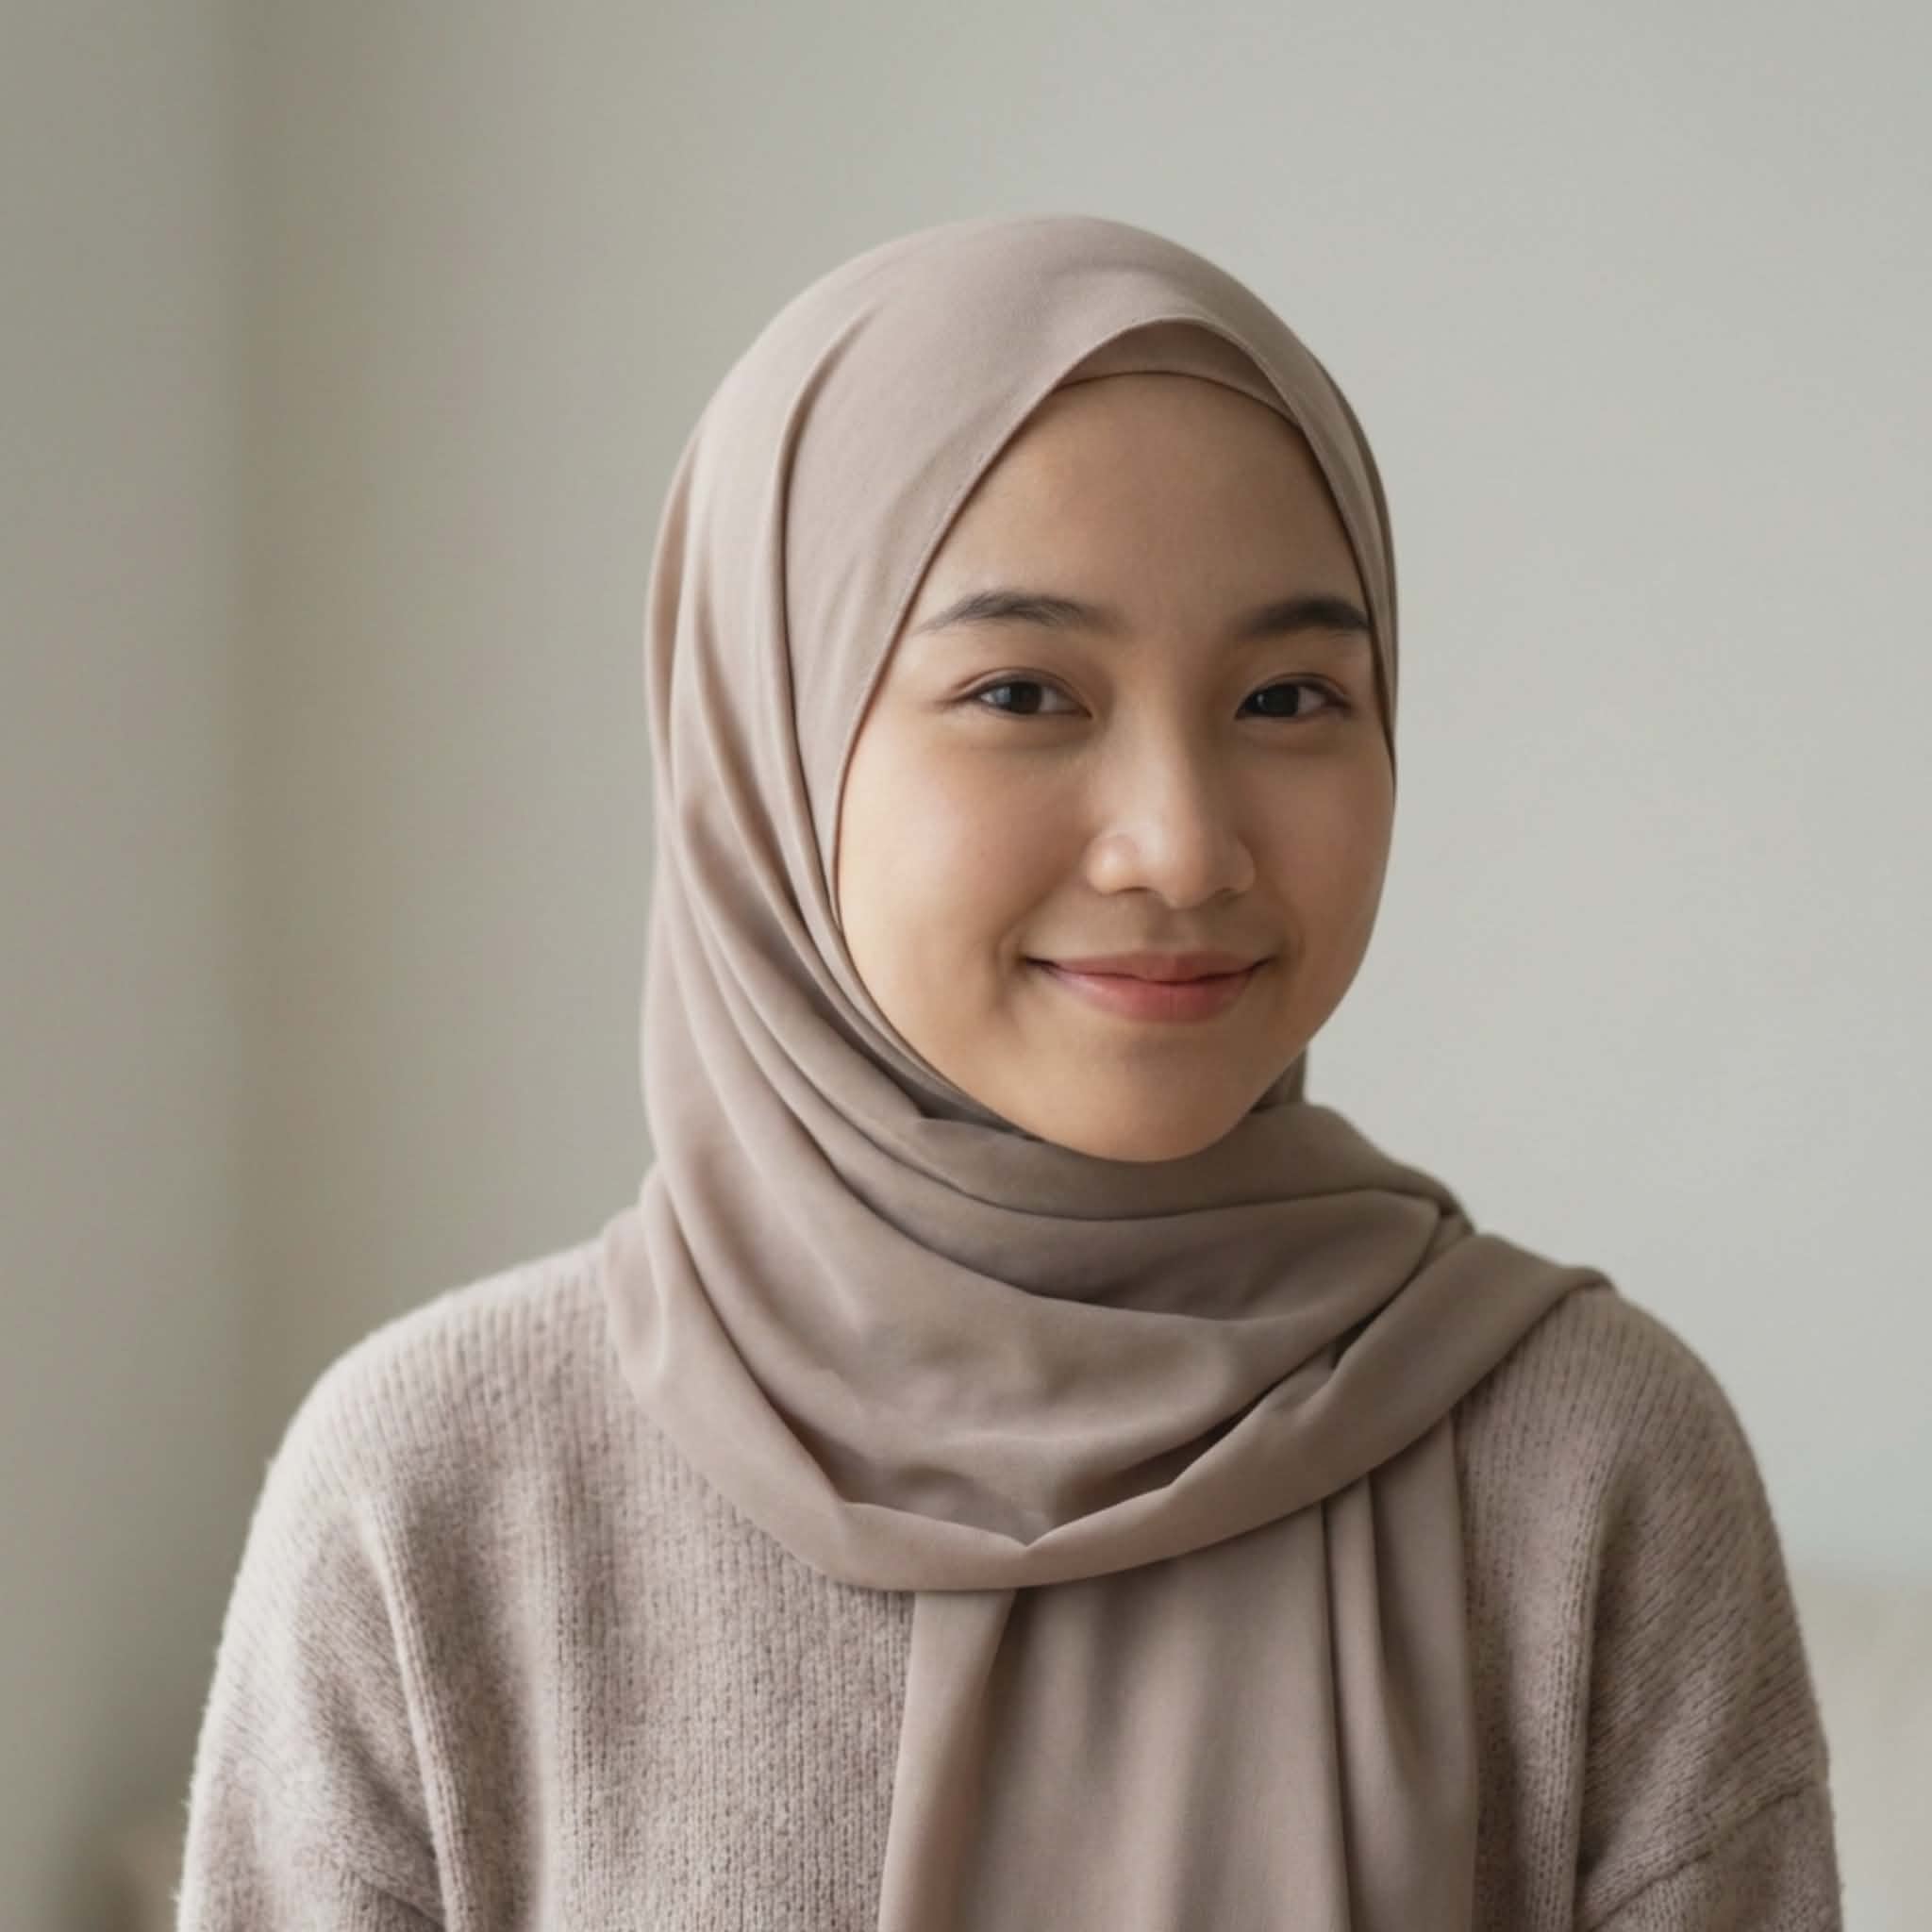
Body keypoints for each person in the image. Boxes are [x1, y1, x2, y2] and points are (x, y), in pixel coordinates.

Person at [175, 212, 1842, 1928]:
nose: (1182, 848)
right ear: (772, 738)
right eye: (1025, 690)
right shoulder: (438, 1497)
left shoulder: (1589, 1466)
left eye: (1287, 699)